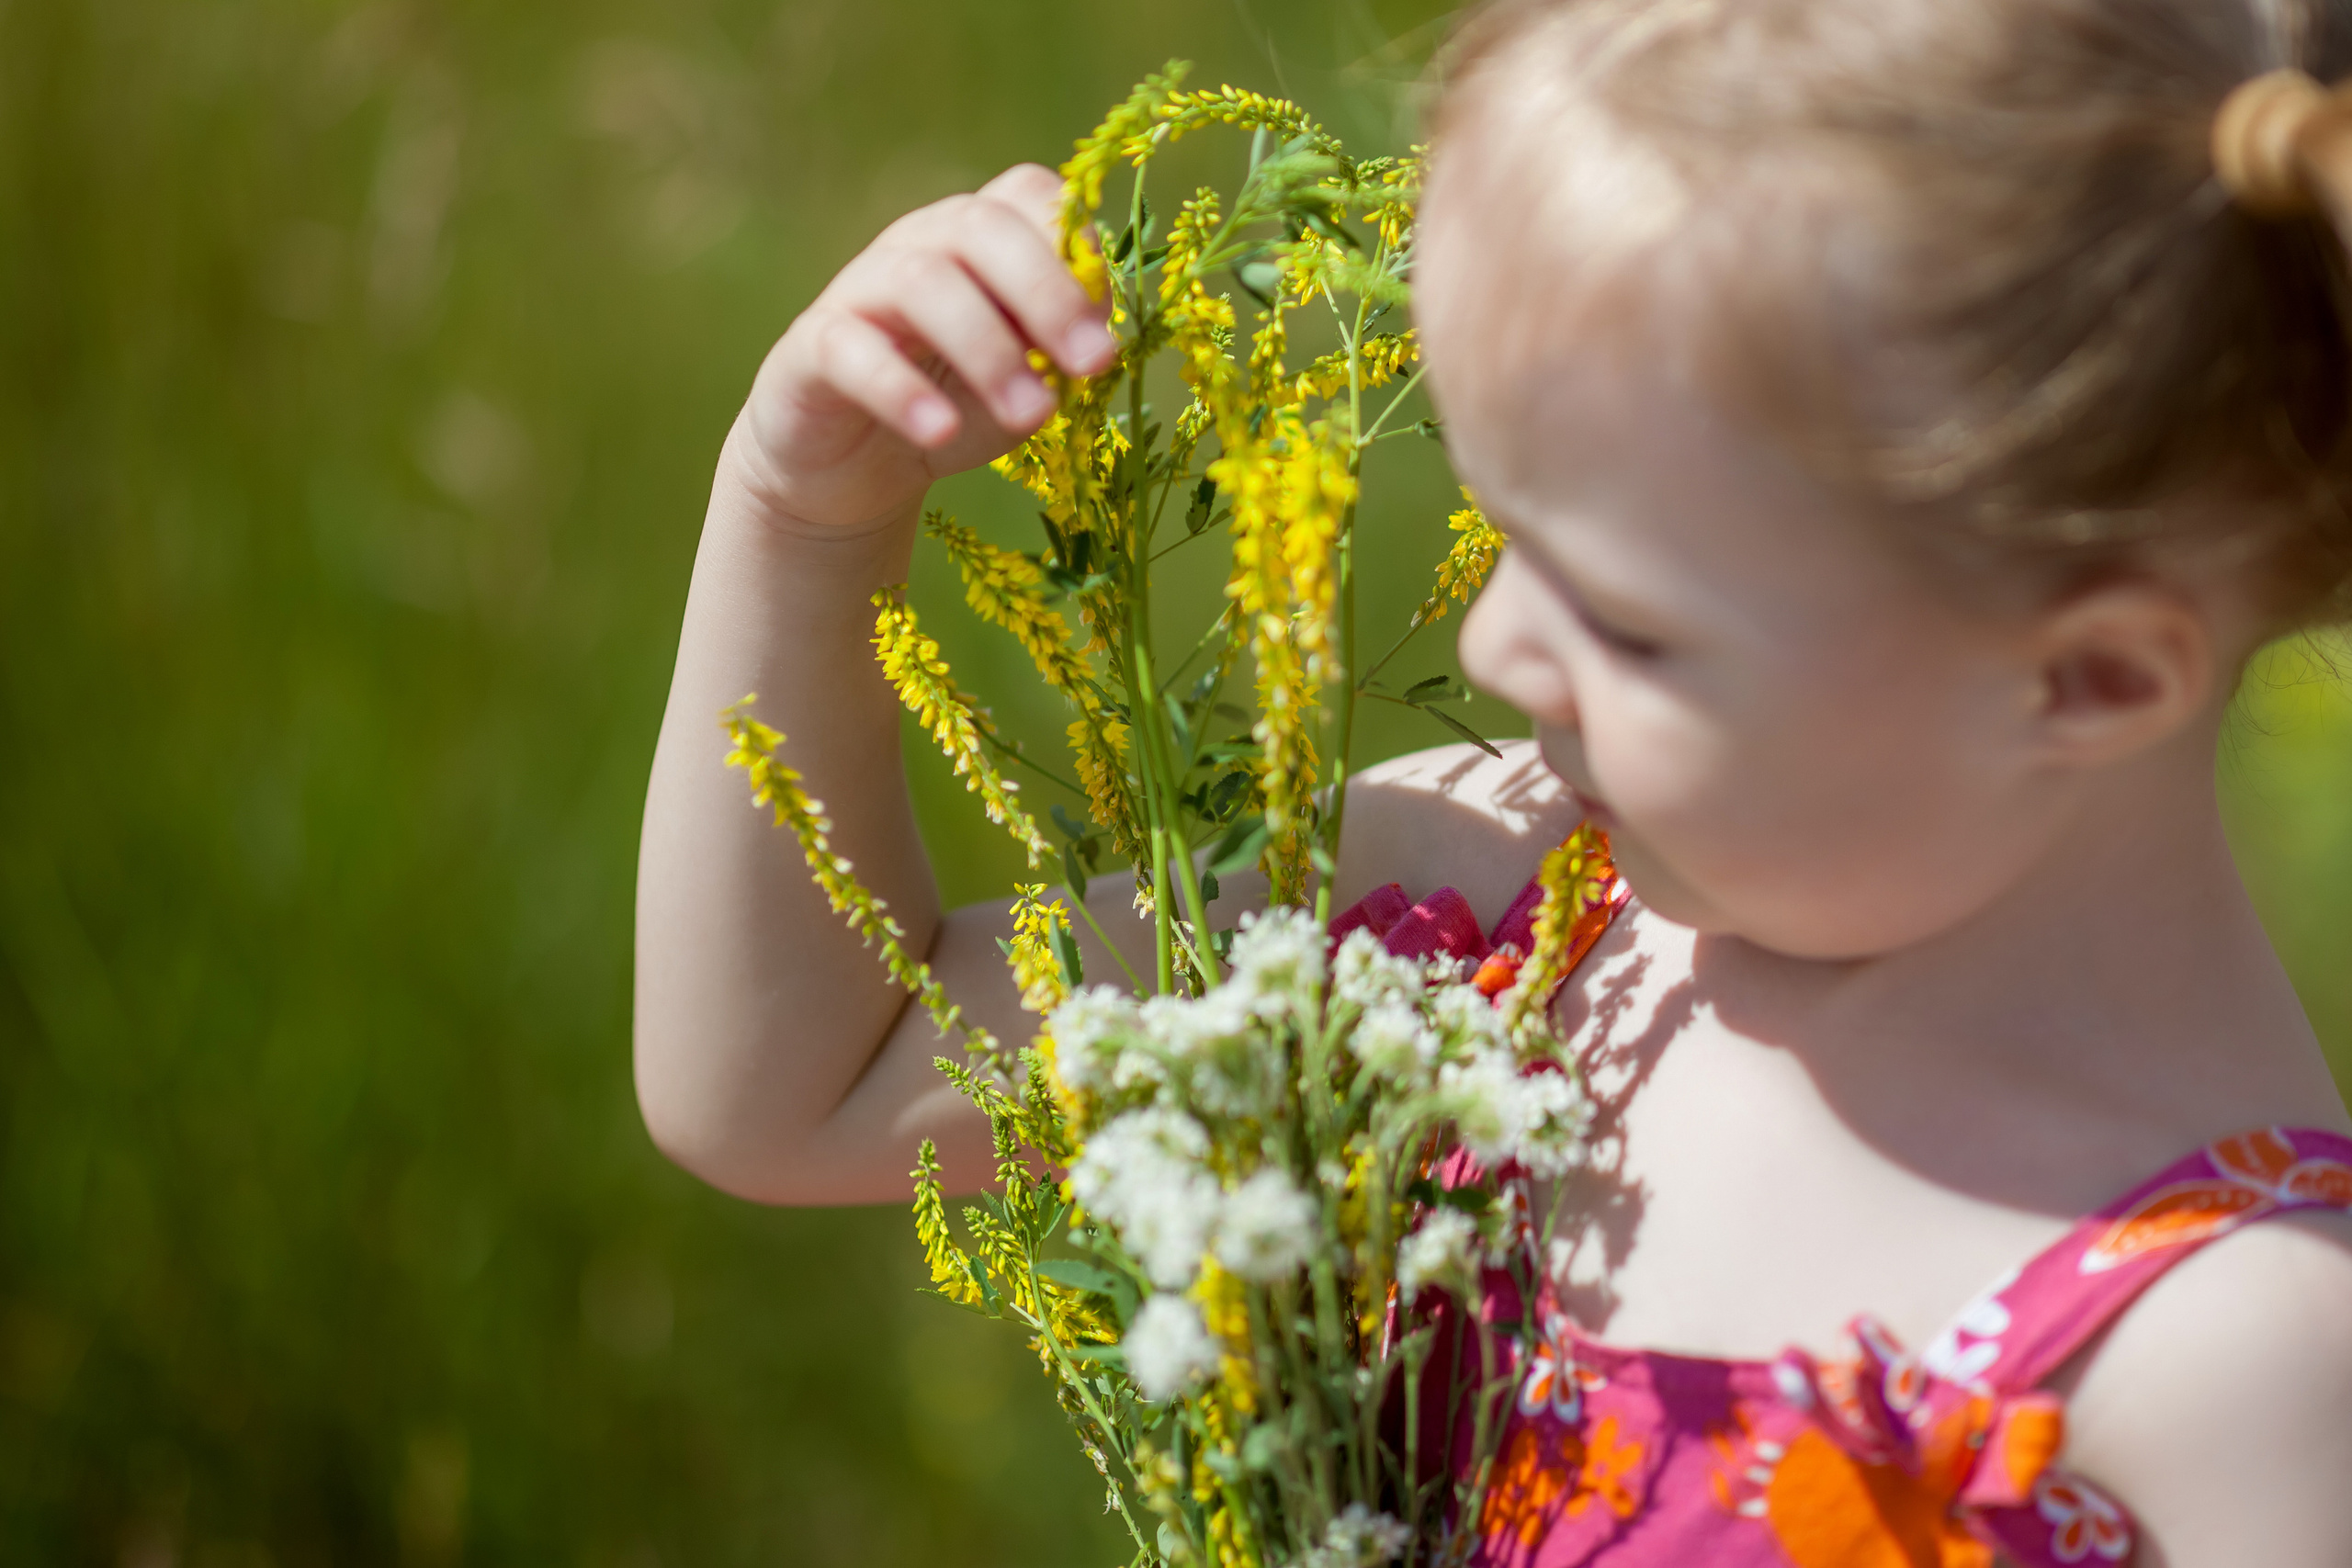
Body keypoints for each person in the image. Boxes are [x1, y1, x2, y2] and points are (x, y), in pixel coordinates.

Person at [632, 0, 2352, 1561]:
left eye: (1630, 619)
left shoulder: (2237, 1365)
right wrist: (806, 514)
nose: (1500, 647)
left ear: (2088, 677)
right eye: (1501, 531)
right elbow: (809, 1083)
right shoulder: (1509, 912)